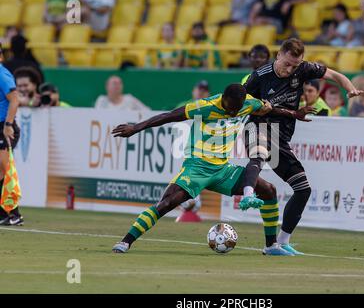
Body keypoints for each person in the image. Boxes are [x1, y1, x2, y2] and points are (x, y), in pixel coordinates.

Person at [110, 84, 309, 255]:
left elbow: (267, 109)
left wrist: (293, 113)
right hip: (196, 168)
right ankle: (125, 241)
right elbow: (169, 116)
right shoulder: (204, 107)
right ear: (223, 99)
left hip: (222, 170)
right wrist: (135, 128)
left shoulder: (248, 103)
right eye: (231, 108)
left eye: (237, 109)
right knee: (166, 203)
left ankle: (271, 245)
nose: (233, 112)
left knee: (268, 190)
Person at [240, 38, 363, 255]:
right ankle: (248, 193)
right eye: (287, 64)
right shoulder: (260, 76)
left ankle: (281, 243)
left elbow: (334, 75)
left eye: (295, 66)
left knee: (303, 189)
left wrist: (350, 88)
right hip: (257, 127)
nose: (290, 70)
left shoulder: (303, 69)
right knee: (259, 152)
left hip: (281, 137)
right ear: (278, 55)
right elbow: (239, 101)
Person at [0, 44, 23, 226]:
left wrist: (8, 125)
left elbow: (15, 98)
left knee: (6, 168)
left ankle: (14, 213)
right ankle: (5, 213)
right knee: (2, 170)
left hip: (4, 126)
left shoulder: (2, 73)